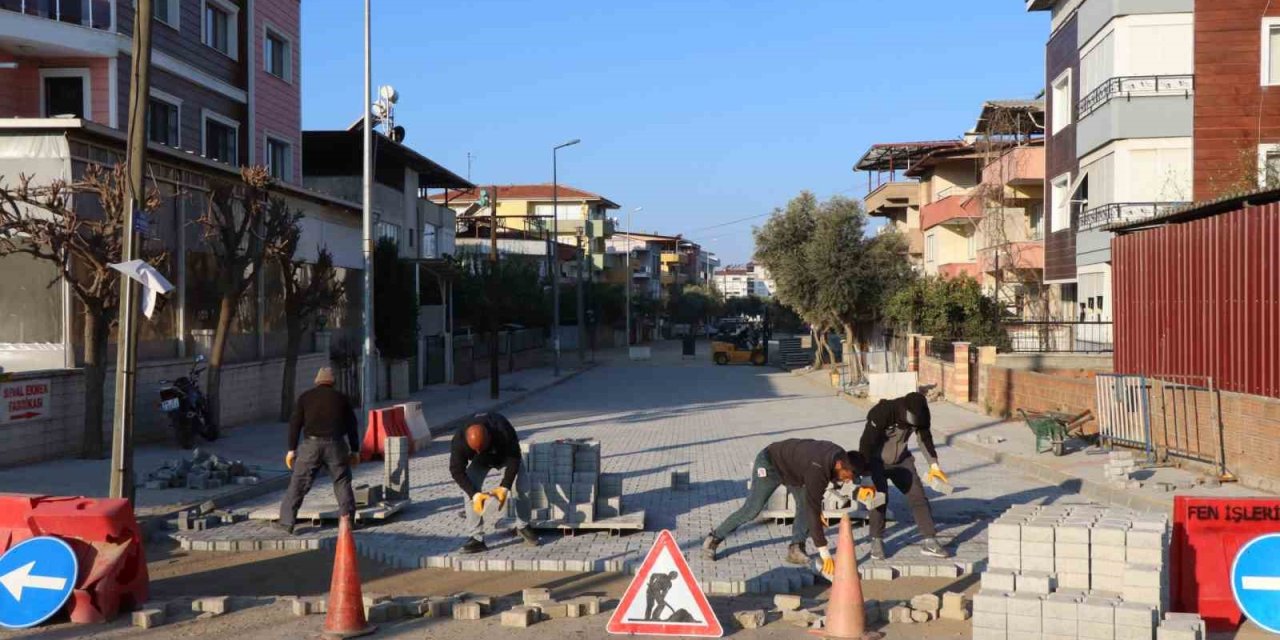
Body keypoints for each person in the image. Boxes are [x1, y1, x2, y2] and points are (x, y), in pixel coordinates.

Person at [701, 439, 865, 575]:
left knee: (805, 504)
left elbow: (814, 500)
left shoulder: (841, 456)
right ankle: (713, 539)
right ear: (839, 465)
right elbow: (813, 510)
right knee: (752, 509)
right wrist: (824, 552)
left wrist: (865, 487)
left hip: (794, 471)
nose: (847, 480)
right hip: (770, 463)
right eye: (848, 477)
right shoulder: (819, 469)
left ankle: (796, 549)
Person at [859, 391, 950, 560]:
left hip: (902, 461)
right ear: (905, 410)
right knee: (879, 498)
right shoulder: (884, 411)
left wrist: (934, 465)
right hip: (876, 460)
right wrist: (866, 474)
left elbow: (924, 439)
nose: (915, 424)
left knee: (918, 497)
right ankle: (876, 541)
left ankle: (930, 540)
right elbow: (866, 442)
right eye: (912, 420)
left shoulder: (922, 414)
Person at [277, 367, 360, 534]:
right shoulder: (341, 399)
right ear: (332, 382)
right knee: (342, 482)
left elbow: (295, 424)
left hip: (311, 446)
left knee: (298, 483)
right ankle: (347, 521)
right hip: (336, 445)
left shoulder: (305, 397)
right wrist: (355, 450)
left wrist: (291, 450)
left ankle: (287, 522)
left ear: (317, 381)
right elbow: (352, 426)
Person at [449, 412, 539, 553]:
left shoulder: (503, 429)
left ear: (490, 437)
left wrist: (505, 486)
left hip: (505, 456)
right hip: (482, 460)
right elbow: (456, 471)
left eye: (483, 447)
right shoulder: (459, 441)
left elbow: (514, 459)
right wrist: (474, 494)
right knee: (468, 490)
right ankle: (476, 538)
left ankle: (523, 525)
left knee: (522, 486)